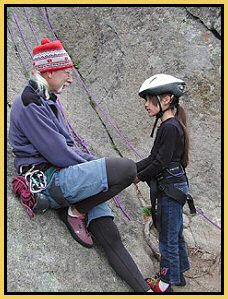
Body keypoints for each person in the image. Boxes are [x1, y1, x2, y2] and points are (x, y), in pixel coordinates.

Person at [9, 38, 153, 293]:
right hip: (49, 180)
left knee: (109, 235)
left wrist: (92, 167)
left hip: (65, 175)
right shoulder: (30, 102)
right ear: (50, 71)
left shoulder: (47, 99)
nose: (71, 79)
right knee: (126, 169)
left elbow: (67, 146)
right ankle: (76, 211)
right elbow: (59, 154)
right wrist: (98, 168)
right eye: (66, 72)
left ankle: (145, 291)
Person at [134, 74, 191, 292]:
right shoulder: (171, 125)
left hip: (170, 190)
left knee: (167, 237)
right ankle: (180, 272)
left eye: (150, 99)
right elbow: (152, 158)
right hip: (174, 187)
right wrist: (132, 168)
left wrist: (139, 176)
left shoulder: (169, 127)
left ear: (166, 99)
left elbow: (159, 162)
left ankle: (166, 284)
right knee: (174, 232)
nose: (147, 105)